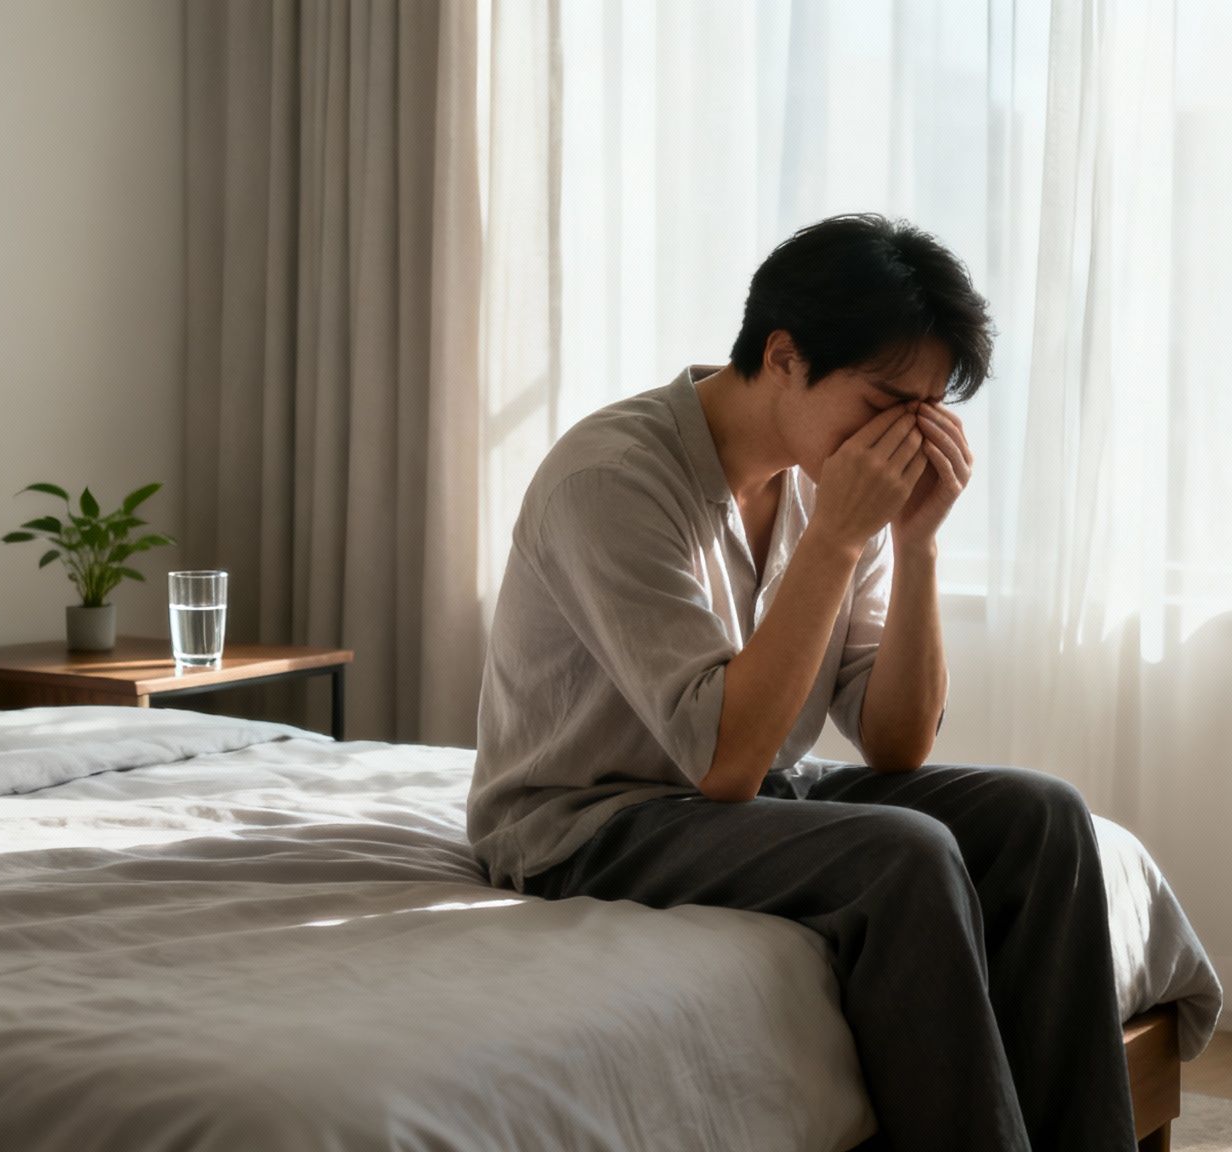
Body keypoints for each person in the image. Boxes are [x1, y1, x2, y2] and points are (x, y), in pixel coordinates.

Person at [466, 214, 1135, 1151]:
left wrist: (917, 542)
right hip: (587, 822)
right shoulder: (611, 480)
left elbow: (896, 742)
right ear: (783, 355)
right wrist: (838, 539)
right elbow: (726, 761)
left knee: (1044, 818)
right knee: (906, 854)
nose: (906, 435)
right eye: (885, 401)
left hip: (737, 803)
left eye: (927, 410)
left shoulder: (828, 482)